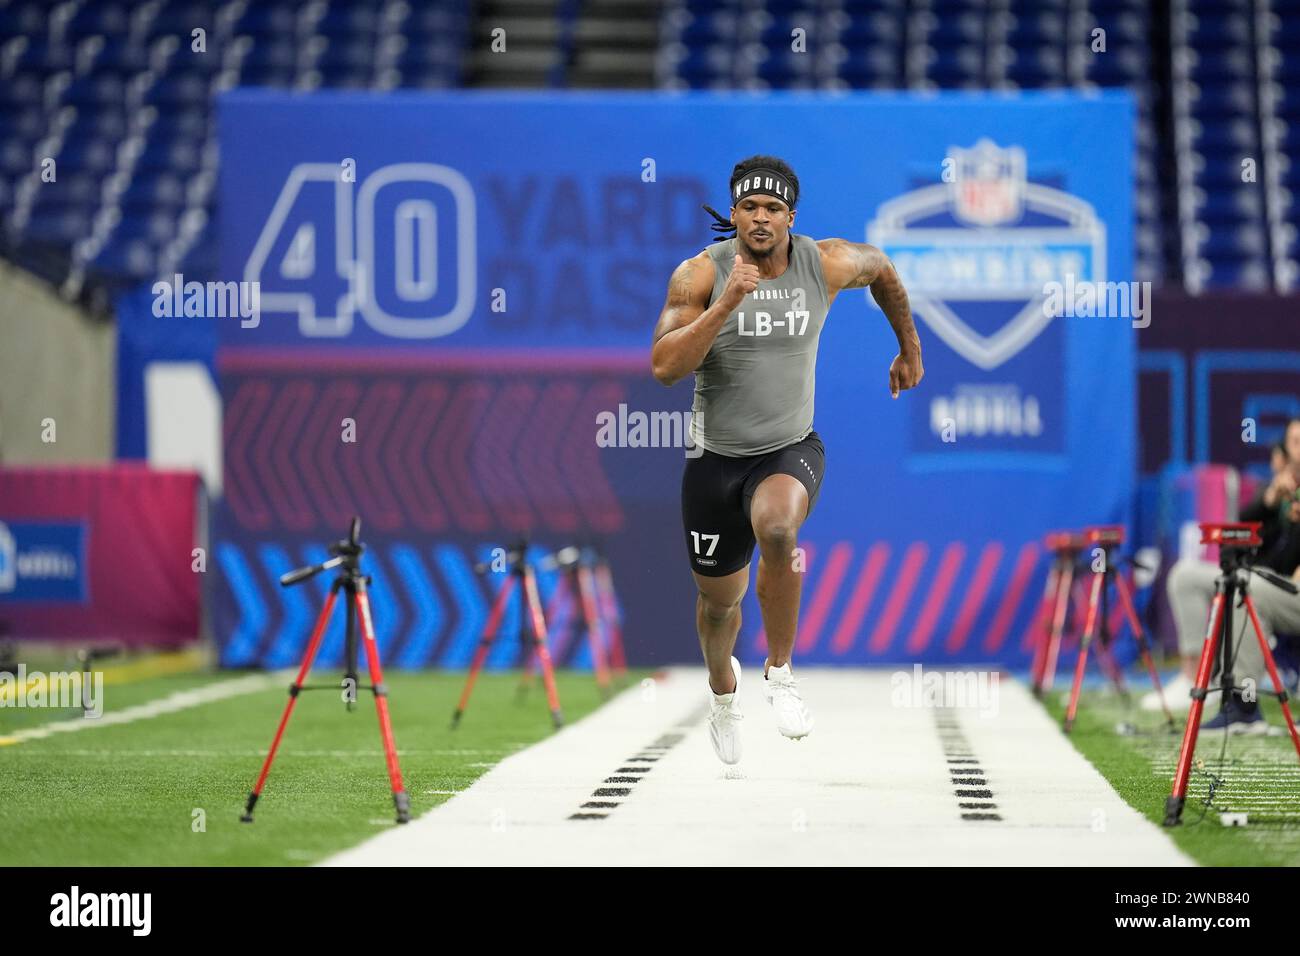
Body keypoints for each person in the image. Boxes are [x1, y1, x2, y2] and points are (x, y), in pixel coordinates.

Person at [650, 155, 923, 764]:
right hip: (714, 462)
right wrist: (726, 305)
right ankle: (724, 695)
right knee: (719, 607)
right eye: (749, 207)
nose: (760, 218)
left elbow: (881, 267)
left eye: (772, 208)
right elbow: (666, 368)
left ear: (790, 217)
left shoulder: (823, 263)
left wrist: (908, 345)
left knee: (777, 526)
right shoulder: (699, 274)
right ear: (736, 214)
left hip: (789, 445)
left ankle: (781, 673)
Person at [1151, 417, 1300, 732]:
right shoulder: (1279, 490)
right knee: (1185, 575)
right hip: (1268, 580)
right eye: (1295, 442)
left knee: (1244, 585)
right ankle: (1190, 675)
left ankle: (1243, 706)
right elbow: (1239, 528)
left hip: (1286, 589)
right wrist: (1270, 500)